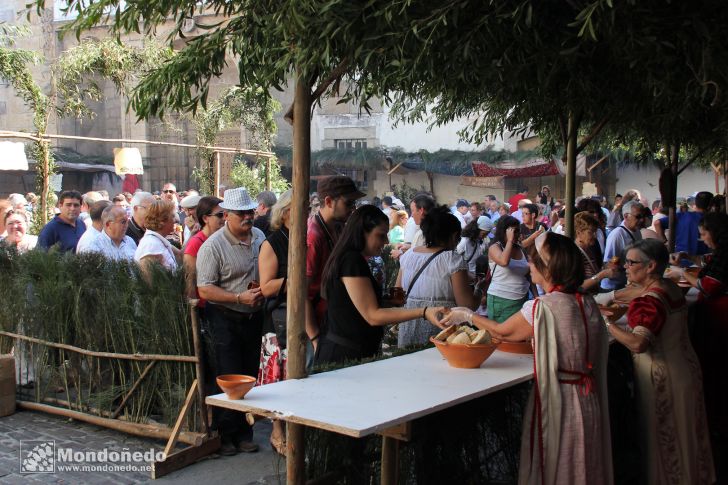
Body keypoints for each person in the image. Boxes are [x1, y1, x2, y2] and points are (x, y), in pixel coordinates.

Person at [441, 232, 612, 485]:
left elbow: (503, 331)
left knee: (558, 461)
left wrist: (467, 315)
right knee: (584, 460)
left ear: (548, 269)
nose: (529, 266)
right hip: (588, 396)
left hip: (559, 398)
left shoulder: (543, 307)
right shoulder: (586, 302)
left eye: (534, 262)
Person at [605, 239, 715, 484]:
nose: (625, 267)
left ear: (650, 266)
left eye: (631, 262)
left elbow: (638, 343)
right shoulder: (668, 286)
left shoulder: (650, 301)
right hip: (685, 368)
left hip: (664, 378)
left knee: (668, 439)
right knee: (688, 437)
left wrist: (608, 325)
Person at [316, 205, 444, 364]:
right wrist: (424, 312)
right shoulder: (351, 260)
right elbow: (373, 315)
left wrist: (389, 301)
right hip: (345, 355)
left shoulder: (349, 258)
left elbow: (353, 305)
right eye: (381, 235)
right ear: (362, 233)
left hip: (351, 350)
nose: (386, 241)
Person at [196, 187, 266, 455]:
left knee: (248, 374)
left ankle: (244, 433)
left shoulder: (259, 236)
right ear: (227, 215)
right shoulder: (212, 247)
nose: (248, 217)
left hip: (253, 316)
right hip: (225, 317)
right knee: (228, 376)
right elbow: (205, 289)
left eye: (250, 212)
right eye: (241, 213)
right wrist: (238, 298)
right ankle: (226, 436)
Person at [674, 212, 728, 438]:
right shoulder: (720, 254)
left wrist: (681, 272)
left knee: (717, 366)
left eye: (704, 234)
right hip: (716, 315)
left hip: (721, 317)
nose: (703, 239)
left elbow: (708, 286)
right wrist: (689, 258)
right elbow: (707, 262)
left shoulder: (725, 256)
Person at [397, 206, 479, 347]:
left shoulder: (408, 255)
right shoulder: (452, 259)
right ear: (454, 236)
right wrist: (481, 289)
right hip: (440, 329)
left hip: (409, 326)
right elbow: (466, 306)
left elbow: (397, 292)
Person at [306, 176, 365, 359]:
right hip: (317, 327)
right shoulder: (314, 236)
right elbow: (301, 294)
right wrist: (315, 338)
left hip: (331, 321)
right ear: (329, 201)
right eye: (348, 203)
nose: (352, 209)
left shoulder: (338, 228)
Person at [256, 189, 291, 456]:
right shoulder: (272, 243)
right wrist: (293, 281)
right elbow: (266, 287)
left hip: (302, 316)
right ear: (286, 212)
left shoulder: (307, 238)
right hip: (278, 320)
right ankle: (277, 431)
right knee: (279, 379)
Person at [487, 216, 530, 323]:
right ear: (504, 231)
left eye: (518, 231)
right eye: (513, 231)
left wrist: (536, 296)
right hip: (501, 299)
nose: (516, 234)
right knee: (501, 336)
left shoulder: (521, 249)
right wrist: (510, 240)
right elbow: (504, 262)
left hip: (521, 299)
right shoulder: (495, 248)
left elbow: (528, 275)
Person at [183, 196, 224, 303]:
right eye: (220, 215)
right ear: (205, 218)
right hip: (205, 306)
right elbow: (190, 279)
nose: (224, 218)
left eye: (225, 214)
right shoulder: (196, 243)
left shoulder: (223, 238)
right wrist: (193, 310)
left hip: (223, 302)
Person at [601, 200, 643, 291]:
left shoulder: (637, 231)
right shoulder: (617, 235)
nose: (642, 220)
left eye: (642, 216)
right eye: (638, 217)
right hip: (613, 287)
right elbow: (609, 264)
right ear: (626, 216)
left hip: (626, 283)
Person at [574, 212, 616, 293]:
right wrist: (602, 275)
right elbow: (577, 288)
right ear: (579, 233)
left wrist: (606, 268)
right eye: (591, 232)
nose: (595, 236)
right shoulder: (575, 254)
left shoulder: (589, 250)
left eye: (595, 232)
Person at [134, 200, 181, 271]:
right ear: (162, 220)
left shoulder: (156, 240)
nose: (175, 220)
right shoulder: (151, 245)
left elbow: (181, 255)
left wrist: (192, 233)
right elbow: (151, 280)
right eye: (172, 216)